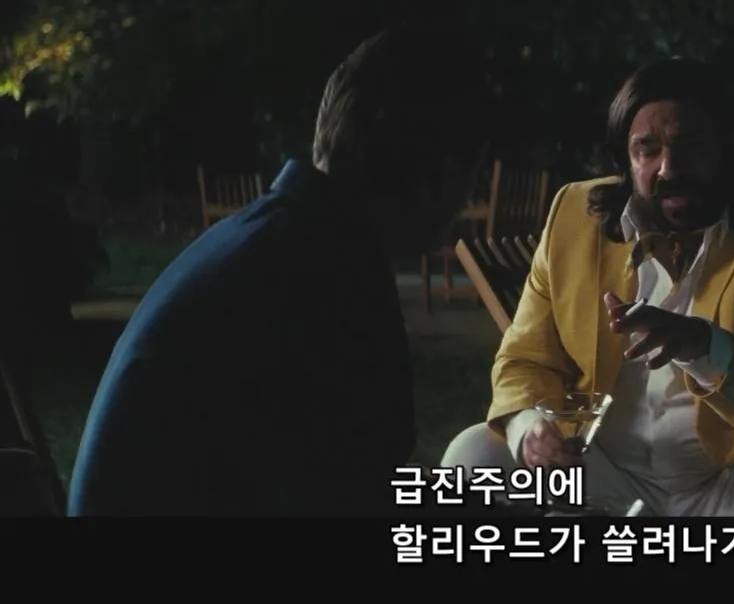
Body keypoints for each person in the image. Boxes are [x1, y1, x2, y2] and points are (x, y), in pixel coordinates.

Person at [68, 28, 494, 516]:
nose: (464, 200)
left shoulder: (273, 236)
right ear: (440, 172)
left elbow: (357, 478)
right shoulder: (330, 275)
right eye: (471, 174)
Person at [442, 57, 734, 516]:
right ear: (625, 160)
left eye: (689, 146)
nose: (668, 169)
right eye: (647, 150)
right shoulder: (573, 216)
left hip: (727, 482)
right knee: (472, 456)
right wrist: (531, 430)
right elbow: (524, 359)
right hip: (599, 473)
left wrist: (704, 347)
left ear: (727, 146)